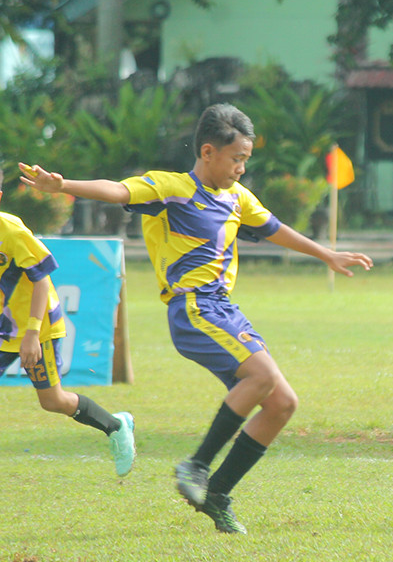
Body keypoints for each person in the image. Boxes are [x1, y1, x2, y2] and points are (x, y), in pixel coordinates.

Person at [19, 103, 373, 534]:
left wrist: (326, 254)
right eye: (236, 158)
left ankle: (217, 493)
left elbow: (274, 228)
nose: (242, 168)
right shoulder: (172, 188)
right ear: (208, 152)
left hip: (224, 309)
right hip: (193, 307)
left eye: (246, 159)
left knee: (282, 403)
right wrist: (63, 186)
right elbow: (119, 191)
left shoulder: (238, 198)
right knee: (262, 377)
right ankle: (197, 466)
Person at [0, 170, 135, 477]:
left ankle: (115, 426)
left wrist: (32, 334)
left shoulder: (11, 231)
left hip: (37, 327)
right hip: (4, 328)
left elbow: (41, 280)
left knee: (53, 401)